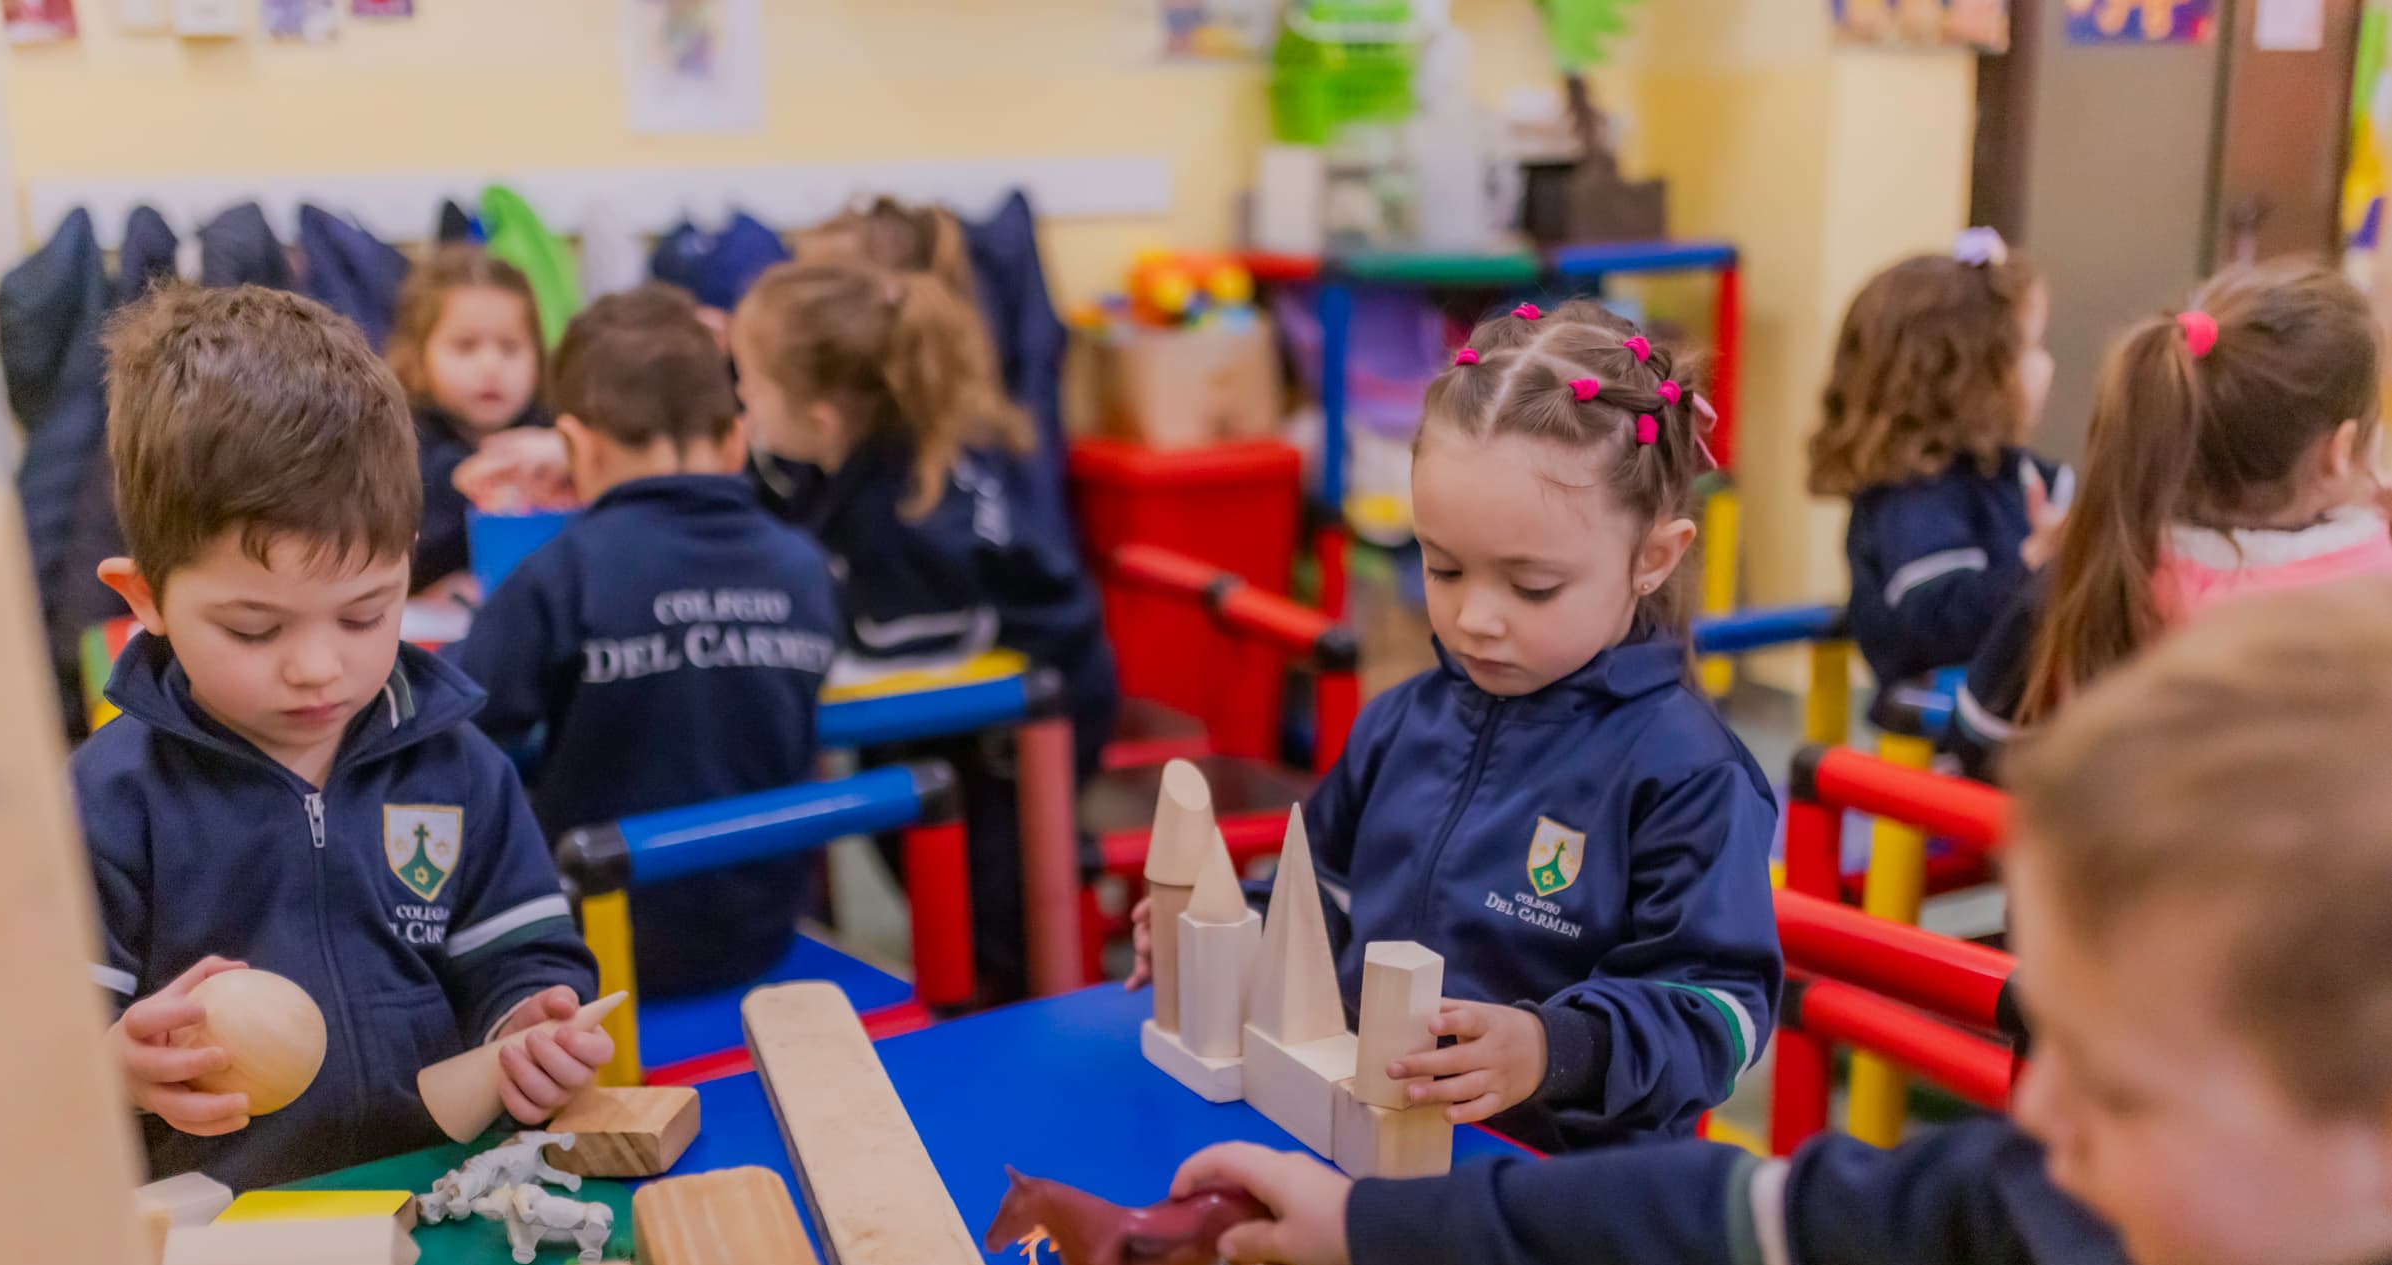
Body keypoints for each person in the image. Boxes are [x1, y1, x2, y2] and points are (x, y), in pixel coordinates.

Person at [1178, 579, 2392, 1265]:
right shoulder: (2099, 1216)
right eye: (2050, 1039)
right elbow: (1765, 1239)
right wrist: (1368, 1226)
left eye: (2124, 1087)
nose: (2039, 1109)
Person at [1139, 300, 1780, 1151]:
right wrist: (1231, 925)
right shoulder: (1400, 721)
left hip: (1559, 1192)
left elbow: (1720, 1015)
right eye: (1441, 567)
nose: (1475, 617)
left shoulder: (1688, 774)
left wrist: (1555, 1047)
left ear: (1651, 557)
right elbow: (1321, 897)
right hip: (1368, 1148)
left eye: (1532, 586)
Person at [79, 284, 607, 1191]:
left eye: (365, 614)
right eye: (255, 630)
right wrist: (113, 1068)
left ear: (407, 557)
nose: (317, 668)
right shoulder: (110, 801)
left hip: (448, 1193)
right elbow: (30, 1052)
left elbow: (523, 957)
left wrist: (523, 1027)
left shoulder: (459, 767)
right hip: (226, 1229)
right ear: (146, 600)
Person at [731, 257, 1116, 1002]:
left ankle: (1006, 1007)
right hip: (955, 693)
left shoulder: (904, 512)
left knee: (996, 882)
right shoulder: (851, 455)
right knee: (905, 833)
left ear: (820, 420)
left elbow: (897, 650)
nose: (740, 399)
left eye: (749, 381)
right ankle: (968, 979)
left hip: (1038, 704)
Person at [460, 286, 840, 999]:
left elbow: (465, 716)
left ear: (574, 445)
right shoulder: (805, 565)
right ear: (735, 438)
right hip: (765, 932)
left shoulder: (564, 572)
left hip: (599, 947)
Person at [1949, 261, 2392, 777]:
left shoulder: (2103, 562)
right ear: (2338, 452)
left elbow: (1981, 736)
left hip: (2122, 853)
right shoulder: (2372, 588)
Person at [1807, 230, 2060, 726]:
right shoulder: (1914, 499)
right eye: (2032, 348)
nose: (2046, 364)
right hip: (1943, 725)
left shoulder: (2007, 469)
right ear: (1965, 378)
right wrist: (2039, 562)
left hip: (1996, 702)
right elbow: (1938, 622)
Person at [384, 246, 557, 593]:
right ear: (417, 358)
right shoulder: (394, 445)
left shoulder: (554, 442)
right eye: (465, 346)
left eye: (510, 347)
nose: (491, 366)